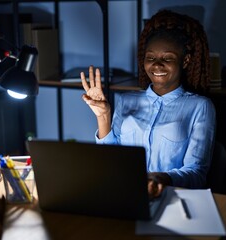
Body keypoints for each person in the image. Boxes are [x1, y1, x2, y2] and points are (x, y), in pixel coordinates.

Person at [80, 10, 216, 199]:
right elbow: (113, 158)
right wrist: (103, 116)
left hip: (170, 198)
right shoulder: (127, 100)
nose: (157, 65)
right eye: (150, 58)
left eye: (167, 58)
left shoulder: (200, 106)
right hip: (124, 193)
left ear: (185, 61)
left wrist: (160, 179)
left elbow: (197, 174)